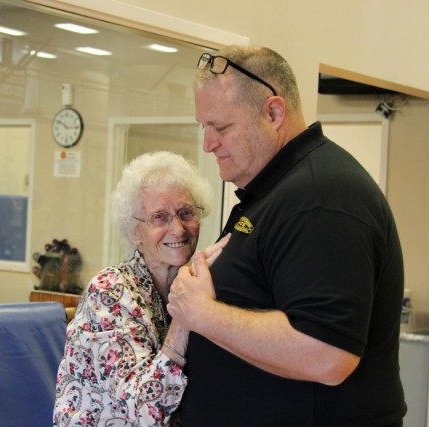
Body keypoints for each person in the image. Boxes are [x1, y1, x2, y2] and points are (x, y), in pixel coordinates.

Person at [167, 45, 407, 426]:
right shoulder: (280, 191)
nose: (208, 143)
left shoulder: (320, 197)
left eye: (221, 127)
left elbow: (328, 354)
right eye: (204, 127)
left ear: (274, 113)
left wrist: (203, 314)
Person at [53, 151, 230, 426]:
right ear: (134, 231)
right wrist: (187, 314)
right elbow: (145, 411)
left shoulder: (192, 283)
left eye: (186, 213)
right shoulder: (109, 291)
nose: (179, 229)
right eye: (160, 217)